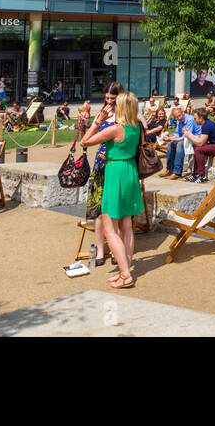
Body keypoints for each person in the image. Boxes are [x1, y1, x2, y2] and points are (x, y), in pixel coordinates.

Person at [83, 91, 143, 289]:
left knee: (109, 228)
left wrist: (97, 121)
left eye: (116, 104)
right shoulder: (136, 127)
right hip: (129, 171)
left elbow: (85, 141)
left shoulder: (116, 129)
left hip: (116, 173)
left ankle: (126, 274)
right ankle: (124, 269)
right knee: (126, 223)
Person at [82, 84, 122, 265]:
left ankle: (115, 249)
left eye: (113, 99)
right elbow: (87, 139)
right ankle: (100, 250)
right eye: (107, 99)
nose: (109, 102)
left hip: (116, 164)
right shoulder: (102, 114)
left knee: (115, 212)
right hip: (101, 165)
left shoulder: (124, 116)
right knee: (98, 212)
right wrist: (96, 120)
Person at [184, 106, 215, 183]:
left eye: (195, 118)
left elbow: (200, 142)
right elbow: (200, 140)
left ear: (201, 118)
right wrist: (188, 134)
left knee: (199, 149)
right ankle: (195, 174)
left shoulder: (207, 125)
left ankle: (202, 176)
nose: (194, 120)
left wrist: (188, 134)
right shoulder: (206, 124)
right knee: (197, 148)